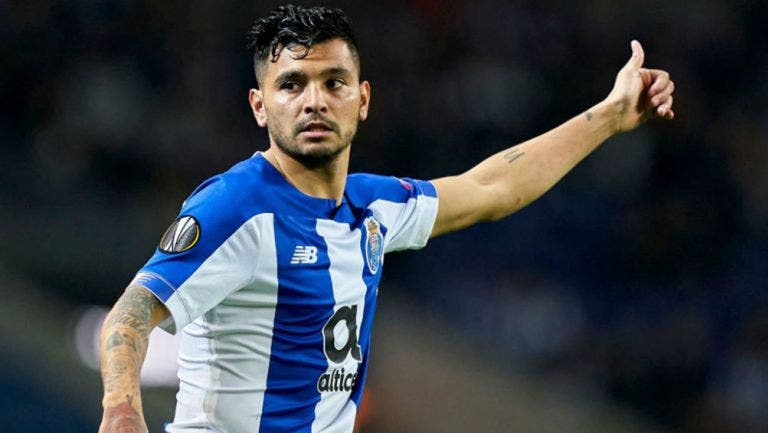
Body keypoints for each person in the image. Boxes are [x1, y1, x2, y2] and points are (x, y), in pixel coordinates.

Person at [97, 4, 675, 433]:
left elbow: (492, 186)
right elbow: (131, 315)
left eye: (334, 82)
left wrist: (610, 115)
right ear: (259, 106)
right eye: (291, 85)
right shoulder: (235, 207)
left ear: (363, 99)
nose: (314, 101)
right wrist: (121, 412)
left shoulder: (374, 207)